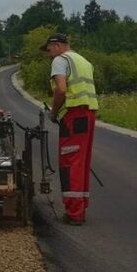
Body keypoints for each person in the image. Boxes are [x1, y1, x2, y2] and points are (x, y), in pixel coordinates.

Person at [41, 33, 99, 225]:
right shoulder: (83, 61)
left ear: (56, 45)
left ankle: (74, 213)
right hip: (89, 114)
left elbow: (61, 89)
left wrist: (54, 112)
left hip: (73, 115)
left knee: (70, 161)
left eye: (49, 50)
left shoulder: (60, 60)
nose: (49, 55)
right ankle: (80, 207)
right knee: (81, 161)